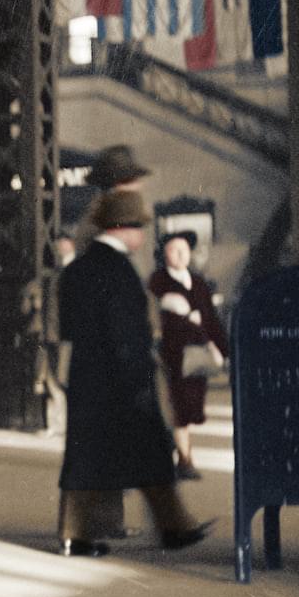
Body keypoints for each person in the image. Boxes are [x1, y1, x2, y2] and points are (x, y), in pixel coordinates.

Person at [56, 188, 213, 558]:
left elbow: (67, 327)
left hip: (88, 377)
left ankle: (76, 535)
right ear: (123, 228)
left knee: (89, 457)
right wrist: (138, 377)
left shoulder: (78, 268)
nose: (143, 236)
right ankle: (171, 527)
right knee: (147, 452)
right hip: (120, 379)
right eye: (139, 228)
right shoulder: (118, 269)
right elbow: (124, 330)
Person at [148, 232, 228, 481]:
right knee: (178, 407)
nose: (181, 254)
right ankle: (185, 459)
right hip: (171, 356)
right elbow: (153, 319)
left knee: (189, 407)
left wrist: (224, 349)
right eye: (174, 250)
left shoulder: (198, 282)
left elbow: (211, 319)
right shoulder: (157, 283)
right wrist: (181, 317)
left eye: (184, 249)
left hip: (198, 357)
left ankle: (174, 451)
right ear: (165, 254)